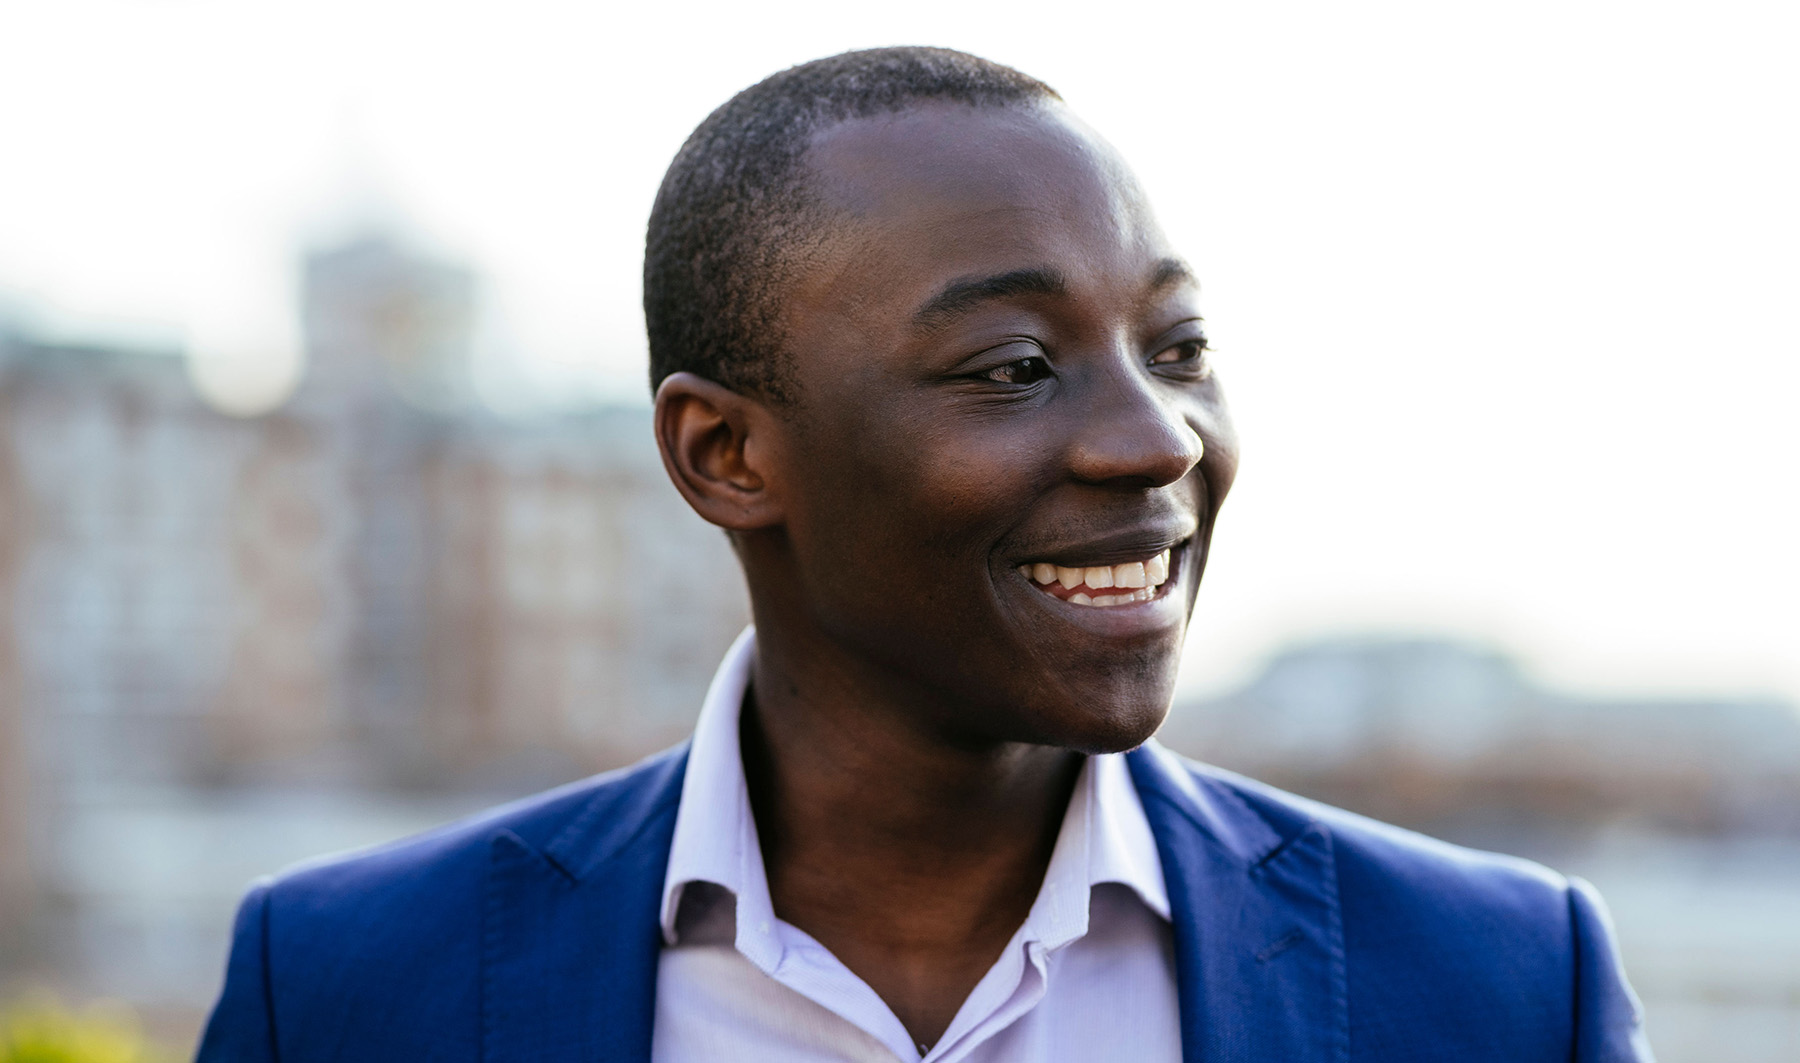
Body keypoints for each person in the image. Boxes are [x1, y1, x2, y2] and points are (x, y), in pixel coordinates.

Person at [196, 47, 1653, 1062]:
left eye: (1178, 347)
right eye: (1015, 366)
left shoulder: (1505, 988)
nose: (1154, 443)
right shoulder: (343, 991)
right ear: (726, 455)